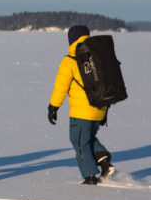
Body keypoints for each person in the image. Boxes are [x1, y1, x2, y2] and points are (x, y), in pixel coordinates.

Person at [48, 25, 116, 185]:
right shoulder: (97, 57)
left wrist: (53, 107)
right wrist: (105, 110)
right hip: (99, 108)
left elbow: (61, 87)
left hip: (81, 112)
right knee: (87, 138)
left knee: (78, 141)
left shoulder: (70, 60)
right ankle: (104, 161)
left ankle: (90, 176)